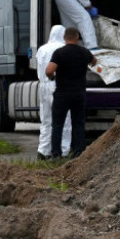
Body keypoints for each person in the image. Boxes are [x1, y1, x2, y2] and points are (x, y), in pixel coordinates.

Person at [45, 27, 97, 159]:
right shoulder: (84, 52)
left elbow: (49, 71)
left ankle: (56, 154)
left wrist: (52, 77)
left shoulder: (59, 53)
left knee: (57, 124)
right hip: (79, 94)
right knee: (78, 124)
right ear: (77, 37)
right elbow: (94, 62)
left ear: (64, 37)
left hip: (62, 94)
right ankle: (78, 153)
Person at [35, 25, 70, 160]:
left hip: (43, 86)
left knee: (46, 119)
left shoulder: (42, 49)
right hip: (58, 85)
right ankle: (64, 151)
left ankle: (43, 151)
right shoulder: (63, 49)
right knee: (64, 120)